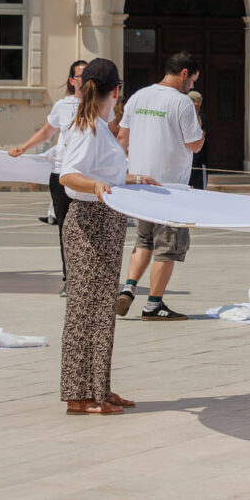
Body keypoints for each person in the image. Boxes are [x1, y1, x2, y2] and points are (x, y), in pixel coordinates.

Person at [56, 58, 162, 416]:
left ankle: (98, 386)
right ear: (115, 92)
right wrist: (96, 185)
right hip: (90, 224)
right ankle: (78, 395)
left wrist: (134, 179)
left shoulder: (99, 127)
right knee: (85, 309)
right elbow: (68, 175)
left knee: (100, 308)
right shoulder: (88, 128)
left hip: (103, 223)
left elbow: (102, 172)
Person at [116, 52, 204, 319]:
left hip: (141, 183)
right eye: (193, 80)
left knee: (143, 240)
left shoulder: (138, 96)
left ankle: (129, 288)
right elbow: (194, 144)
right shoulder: (182, 102)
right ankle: (153, 304)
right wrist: (200, 127)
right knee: (168, 248)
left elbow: (122, 137)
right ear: (185, 74)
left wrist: (122, 174)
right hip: (170, 189)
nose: (192, 87)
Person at [8, 60, 88, 295]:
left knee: (87, 228)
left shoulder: (100, 104)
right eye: (81, 75)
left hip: (88, 176)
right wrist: (23, 148)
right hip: (62, 173)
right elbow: (46, 132)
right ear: (72, 80)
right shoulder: (63, 106)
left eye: (89, 74)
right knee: (66, 228)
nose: (85, 79)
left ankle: (87, 276)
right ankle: (70, 278)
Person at [187, 91, 208, 189]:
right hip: (185, 160)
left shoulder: (202, 118)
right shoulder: (185, 117)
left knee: (200, 190)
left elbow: (201, 137)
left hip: (199, 161)